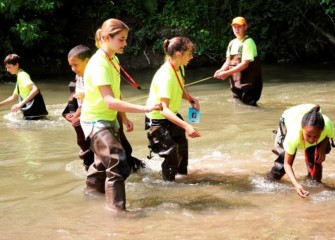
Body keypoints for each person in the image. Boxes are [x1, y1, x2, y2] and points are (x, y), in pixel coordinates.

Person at [80, 18, 161, 211]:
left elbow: (115, 92)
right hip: (94, 120)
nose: (125, 44)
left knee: (102, 164)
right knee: (117, 159)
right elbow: (109, 100)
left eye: (126, 39)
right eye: (122, 39)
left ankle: (91, 195)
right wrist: (145, 109)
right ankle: (118, 212)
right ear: (107, 38)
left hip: (107, 119)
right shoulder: (99, 63)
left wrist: (123, 117)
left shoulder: (113, 58)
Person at [145, 36, 201, 182]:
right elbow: (163, 109)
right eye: (189, 53)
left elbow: (179, 89)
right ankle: (168, 187)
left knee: (182, 148)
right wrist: (187, 125)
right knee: (171, 155)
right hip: (158, 119)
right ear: (178, 54)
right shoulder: (166, 76)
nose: (191, 56)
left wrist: (190, 98)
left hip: (171, 115)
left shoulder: (179, 67)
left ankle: (183, 180)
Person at [266, 104, 334, 198]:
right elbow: (287, 164)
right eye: (308, 135)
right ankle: (268, 181)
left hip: (313, 119)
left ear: (322, 131)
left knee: (316, 160)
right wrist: (296, 185)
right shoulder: (293, 136)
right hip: (289, 117)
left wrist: (322, 148)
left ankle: (315, 185)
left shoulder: (327, 126)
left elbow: (329, 135)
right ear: (302, 130)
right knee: (281, 165)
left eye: (316, 136)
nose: (311, 140)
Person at [214, 16, 262, 106]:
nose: (236, 29)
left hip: (249, 85)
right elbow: (228, 61)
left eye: (239, 27)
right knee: (237, 104)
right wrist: (221, 70)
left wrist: (227, 73)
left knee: (250, 106)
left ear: (245, 27)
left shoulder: (248, 42)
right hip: (236, 84)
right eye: (234, 27)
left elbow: (245, 64)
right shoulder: (232, 43)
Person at [64, 45, 94, 171]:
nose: (73, 69)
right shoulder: (79, 76)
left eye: (75, 65)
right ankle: (89, 163)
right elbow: (81, 104)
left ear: (87, 61)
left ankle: (91, 163)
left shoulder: (94, 76)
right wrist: (75, 114)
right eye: (71, 65)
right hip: (84, 111)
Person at [0, 54, 48, 119]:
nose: (7, 70)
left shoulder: (22, 75)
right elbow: (13, 97)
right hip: (34, 113)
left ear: (17, 65)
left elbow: (35, 90)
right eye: (6, 67)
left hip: (35, 114)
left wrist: (20, 104)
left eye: (9, 67)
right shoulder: (19, 77)